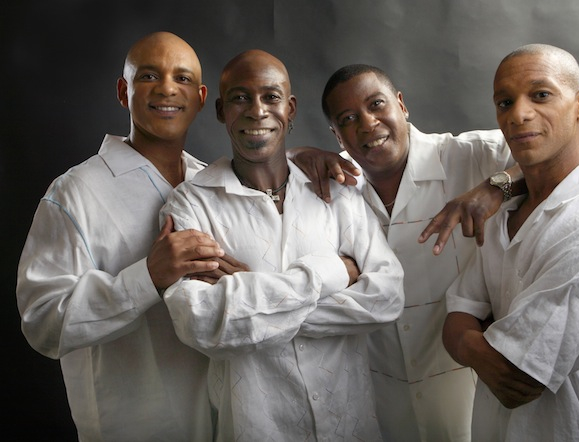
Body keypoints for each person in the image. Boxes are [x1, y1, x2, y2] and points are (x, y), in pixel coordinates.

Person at [290, 65, 579, 441]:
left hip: (472, 396)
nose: (367, 124)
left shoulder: (469, 155)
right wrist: (296, 153)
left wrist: (497, 187)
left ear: (401, 105)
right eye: (348, 119)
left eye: (376, 104)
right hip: (381, 403)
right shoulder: (336, 187)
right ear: (336, 134)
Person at [159, 49, 405, 441]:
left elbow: (388, 297)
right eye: (241, 98)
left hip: (351, 424)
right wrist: (332, 273)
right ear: (221, 110)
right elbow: (199, 323)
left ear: (290, 109)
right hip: (257, 428)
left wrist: (248, 302)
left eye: (271, 97)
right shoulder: (190, 204)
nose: (257, 111)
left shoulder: (338, 191)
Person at [16, 32, 225, 441]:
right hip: (131, 428)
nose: (167, 88)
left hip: (223, 424)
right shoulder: (74, 193)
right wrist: (147, 277)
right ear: (122, 91)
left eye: (182, 78)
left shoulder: (213, 185)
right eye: (149, 75)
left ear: (200, 98)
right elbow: (42, 323)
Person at [443, 43, 579, 441]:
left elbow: (516, 379)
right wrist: (479, 341)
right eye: (505, 102)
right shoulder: (506, 214)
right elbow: (457, 314)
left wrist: (474, 336)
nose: (518, 114)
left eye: (540, 95)